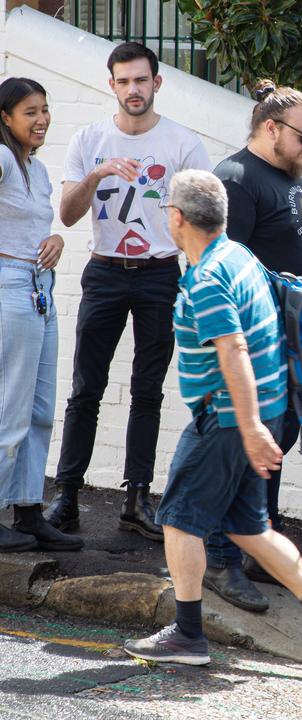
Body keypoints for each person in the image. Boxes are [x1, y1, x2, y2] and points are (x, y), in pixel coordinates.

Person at [122, 170, 302, 675]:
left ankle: (187, 635)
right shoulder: (241, 257)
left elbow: (234, 351)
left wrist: (248, 427)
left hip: (227, 419)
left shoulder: (208, 278)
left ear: (177, 218)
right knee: (248, 527)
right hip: (264, 413)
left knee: (179, 519)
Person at [45, 42, 213, 542]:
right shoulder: (89, 138)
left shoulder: (183, 144)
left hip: (160, 274)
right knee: (85, 389)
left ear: (156, 83)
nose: (133, 89)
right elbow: (69, 214)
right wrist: (98, 172)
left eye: (141, 80)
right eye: (124, 81)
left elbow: (202, 224)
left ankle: (136, 499)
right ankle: (68, 496)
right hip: (105, 271)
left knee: (147, 390)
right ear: (111, 84)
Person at [204, 80, 302, 613]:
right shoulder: (236, 179)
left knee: (268, 459)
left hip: (293, 354)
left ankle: (259, 550)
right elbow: (220, 269)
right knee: (239, 456)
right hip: (257, 349)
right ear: (271, 127)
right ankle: (220, 562)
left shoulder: (288, 178)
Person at [0, 78, 78, 553]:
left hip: (40, 291)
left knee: (40, 409)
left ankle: (28, 510)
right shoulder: (3, 158)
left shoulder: (40, 169)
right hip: (10, 289)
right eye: (30, 112)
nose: (42, 119)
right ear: (5, 118)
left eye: (45, 110)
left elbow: (40, 229)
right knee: (10, 408)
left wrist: (58, 241)